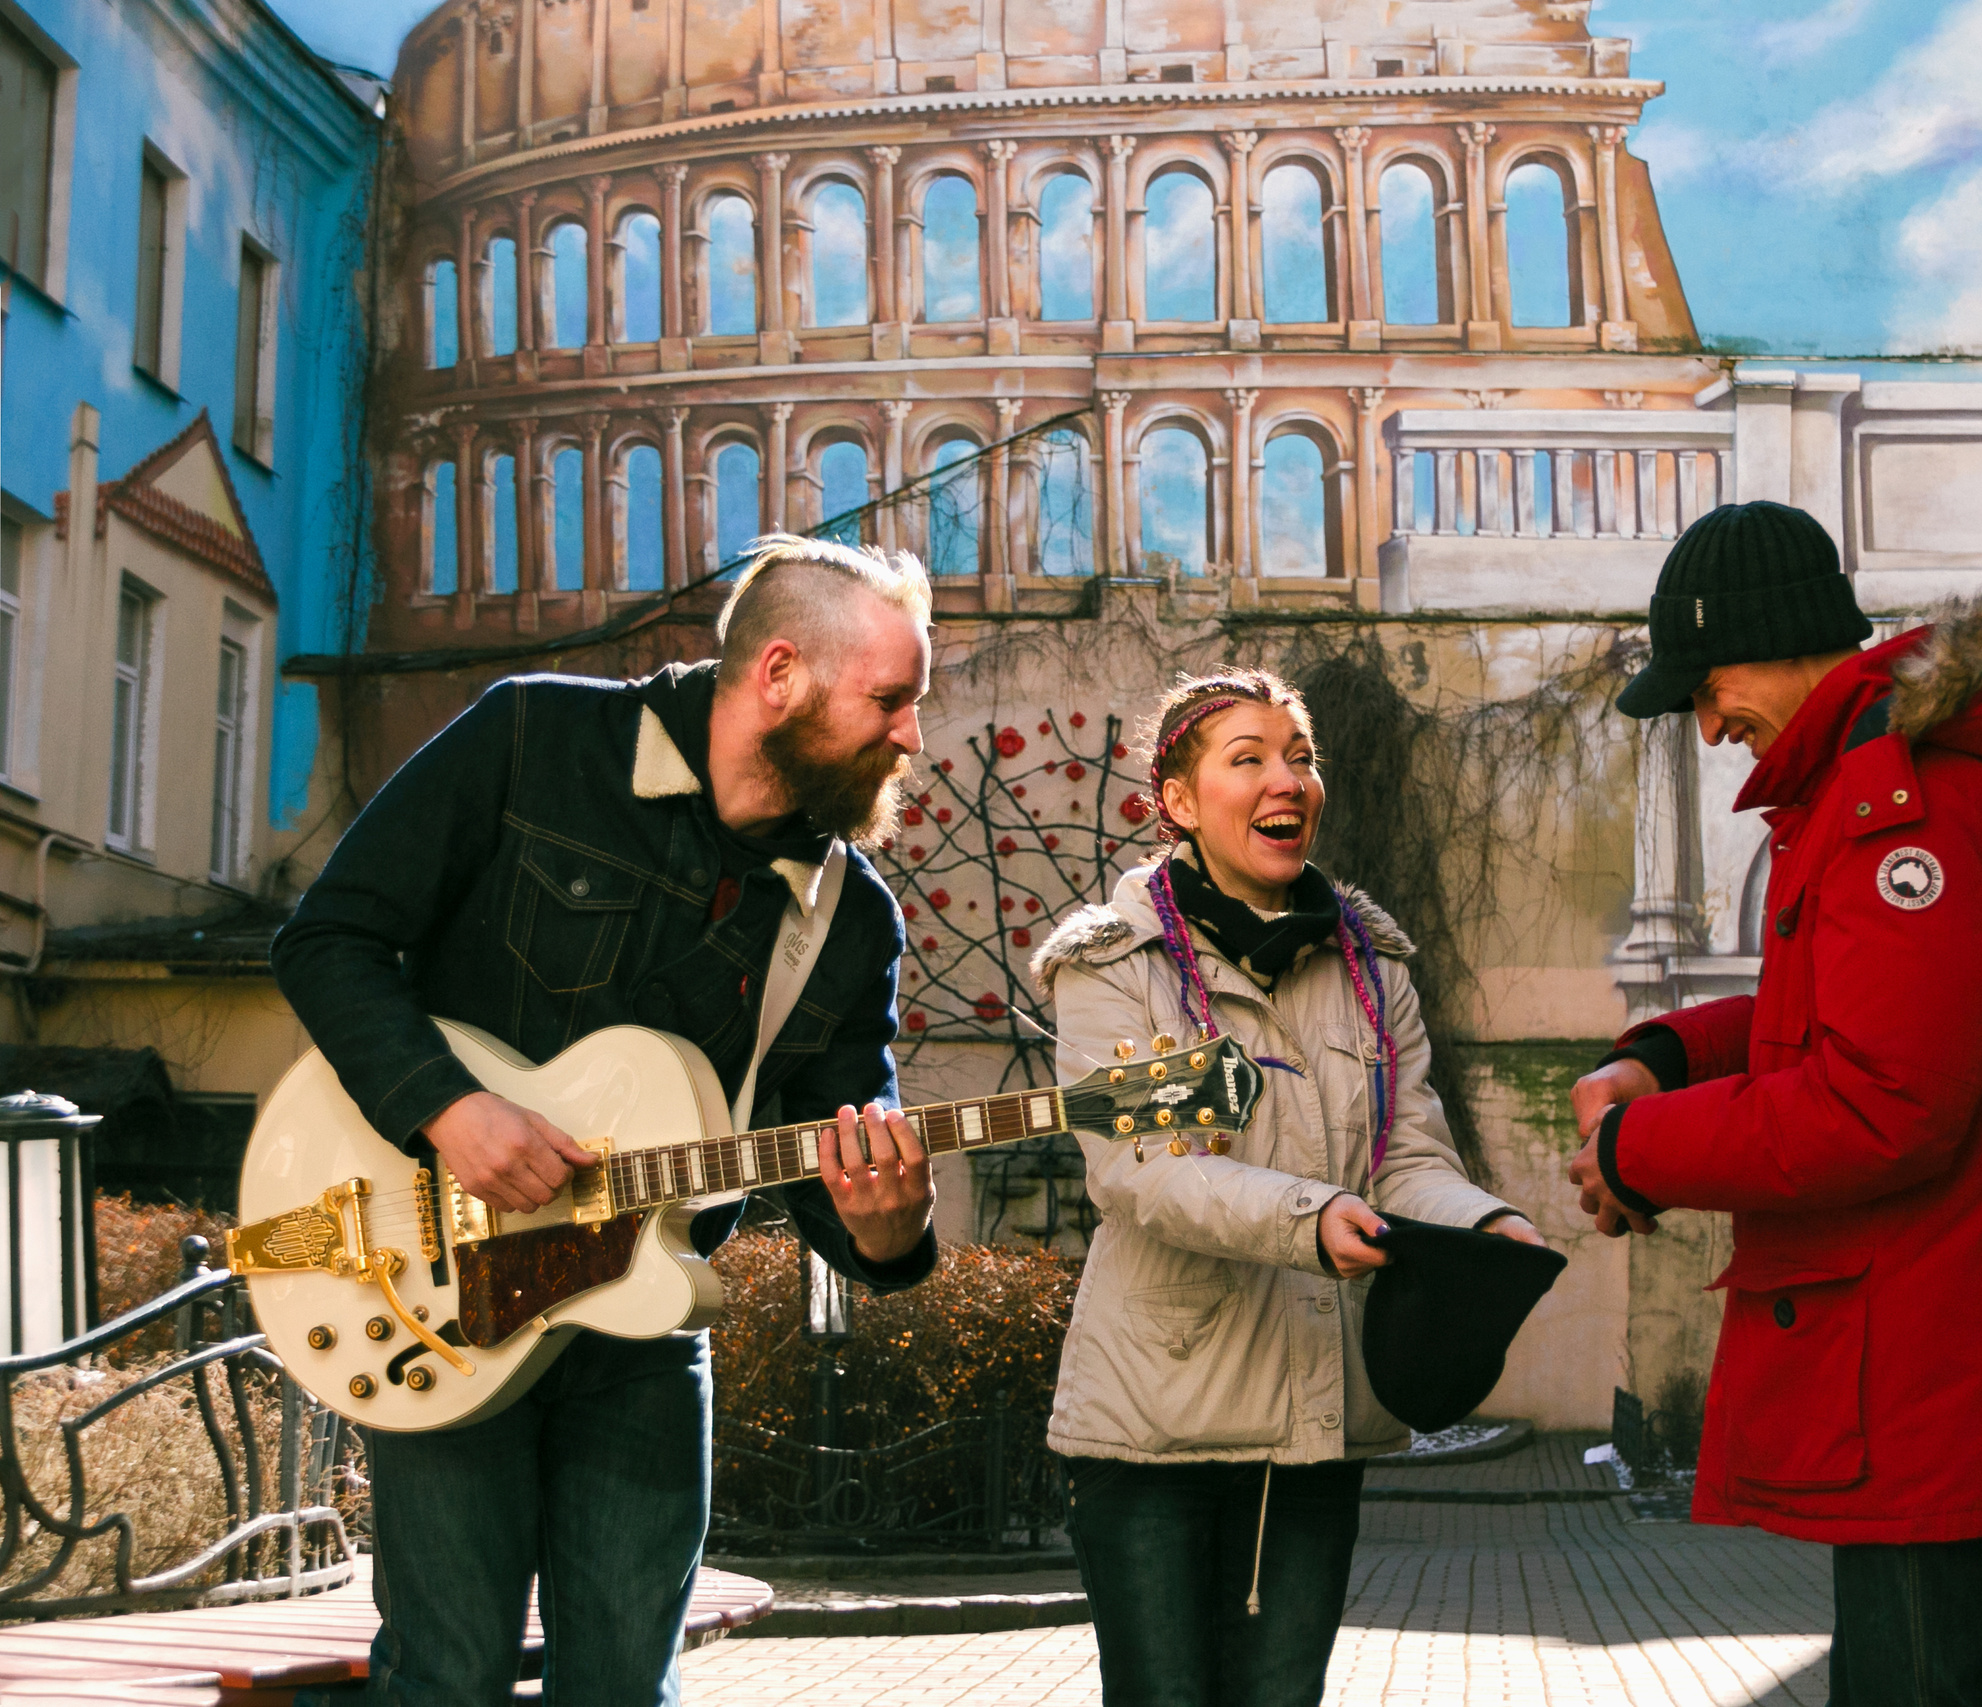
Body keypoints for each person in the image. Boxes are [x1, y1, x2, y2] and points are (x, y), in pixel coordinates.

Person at [270, 534, 942, 1705]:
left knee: (627, 1685)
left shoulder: (850, 917)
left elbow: (839, 1136)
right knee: (449, 1675)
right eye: (889, 700)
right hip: (441, 1286)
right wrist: (449, 1109)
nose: (911, 736)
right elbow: (329, 941)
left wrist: (886, 1228)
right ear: (779, 675)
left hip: (644, 1332)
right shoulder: (533, 738)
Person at [1565, 501, 1982, 1707]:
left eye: (1707, 687)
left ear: (1767, 643)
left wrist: (1636, 1149)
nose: (1710, 725)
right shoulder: (1884, 791)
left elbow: (1883, 1104)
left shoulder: (1898, 808)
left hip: (1922, 1365)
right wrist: (1662, 1057)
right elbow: (1835, 1014)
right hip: (1929, 1357)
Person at [1030, 668, 1546, 1707]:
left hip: (1312, 1427)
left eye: (1301, 758)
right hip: (1152, 1427)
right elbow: (1144, 1173)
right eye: (1250, 758)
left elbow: (1405, 1158)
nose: (1288, 780)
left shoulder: (1373, 966)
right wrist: (1312, 1219)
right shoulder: (1114, 963)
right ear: (1179, 800)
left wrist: (1486, 1224)